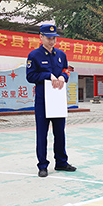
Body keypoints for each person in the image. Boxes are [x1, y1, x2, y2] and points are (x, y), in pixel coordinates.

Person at [26, 24, 76, 177]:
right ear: (41, 37)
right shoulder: (34, 55)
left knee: (60, 133)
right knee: (42, 134)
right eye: (48, 38)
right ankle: (42, 165)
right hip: (43, 100)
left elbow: (66, 70)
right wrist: (47, 76)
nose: (52, 41)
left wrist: (63, 76)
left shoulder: (61, 54)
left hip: (58, 99)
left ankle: (61, 162)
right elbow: (30, 76)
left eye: (54, 38)